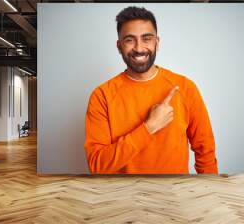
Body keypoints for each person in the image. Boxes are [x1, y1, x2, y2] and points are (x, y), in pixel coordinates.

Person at [84, 6, 218, 174]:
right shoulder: (102, 96)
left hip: (174, 195)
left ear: (157, 42)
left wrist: (210, 189)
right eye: (129, 40)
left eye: (146, 38)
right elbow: (97, 166)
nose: (139, 48)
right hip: (122, 196)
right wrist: (148, 128)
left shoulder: (185, 88)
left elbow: (205, 151)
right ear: (119, 46)